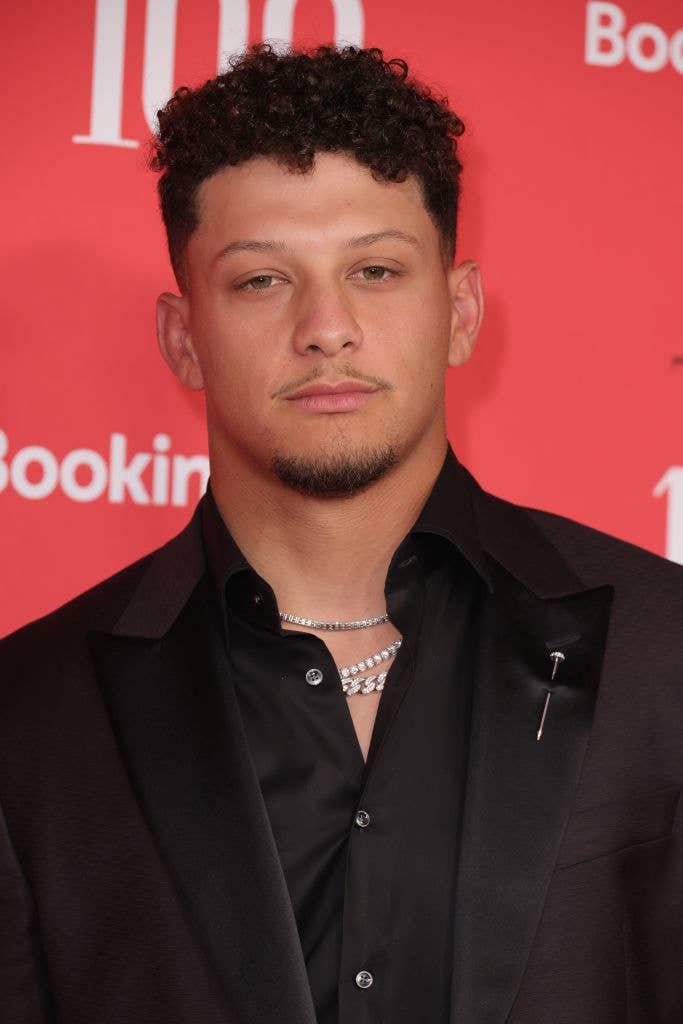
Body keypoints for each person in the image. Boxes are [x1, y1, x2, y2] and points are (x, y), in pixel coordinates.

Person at [1, 42, 681, 1024]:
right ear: (183, 337)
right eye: (261, 281)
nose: (327, 325)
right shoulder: (28, 723)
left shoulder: (662, 654)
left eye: (373, 268)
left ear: (456, 312)